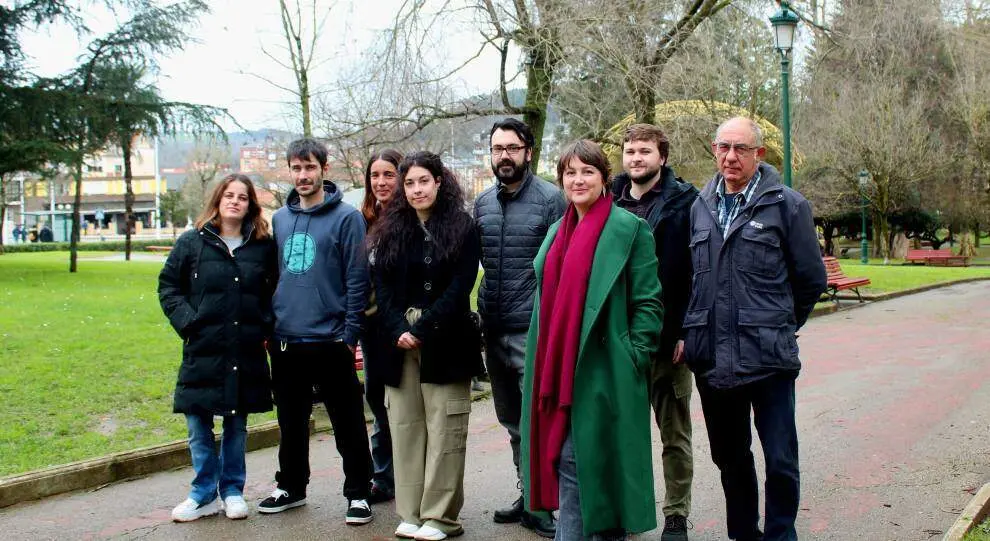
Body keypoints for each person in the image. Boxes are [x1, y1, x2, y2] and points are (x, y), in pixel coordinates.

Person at [683, 117, 827, 541]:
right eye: (724, 147)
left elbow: (811, 280)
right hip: (713, 359)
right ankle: (743, 533)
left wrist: (779, 323)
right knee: (730, 458)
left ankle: (781, 534)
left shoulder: (788, 205)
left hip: (768, 357)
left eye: (741, 149)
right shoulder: (700, 206)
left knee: (780, 458)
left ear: (758, 154)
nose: (731, 157)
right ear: (714, 149)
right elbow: (697, 277)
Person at [521, 140, 664, 540]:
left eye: (587, 171)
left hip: (606, 370)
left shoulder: (629, 228)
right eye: (570, 172)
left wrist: (633, 354)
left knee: (586, 466)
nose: (578, 179)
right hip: (557, 370)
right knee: (575, 466)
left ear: (604, 178)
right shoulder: (556, 232)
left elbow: (649, 302)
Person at [258, 138, 375, 526]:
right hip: (288, 340)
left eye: (310, 167)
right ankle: (291, 486)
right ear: (289, 171)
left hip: (332, 339)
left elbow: (356, 279)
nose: (303, 175)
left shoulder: (347, 218)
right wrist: (272, 330)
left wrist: (350, 334)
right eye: (296, 168)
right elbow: (276, 275)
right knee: (291, 422)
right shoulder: (280, 219)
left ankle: (359, 492)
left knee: (348, 424)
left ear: (324, 169)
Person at [370, 151, 483, 541]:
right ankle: (412, 513)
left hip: (447, 341)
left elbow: (461, 285)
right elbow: (380, 286)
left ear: (439, 181)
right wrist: (399, 327)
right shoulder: (390, 228)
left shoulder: (463, 227)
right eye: (410, 183)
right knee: (405, 429)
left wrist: (425, 327)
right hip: (398, 345)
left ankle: (441, 517)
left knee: (445, 430)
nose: (417, 189)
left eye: (424, 181)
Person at [158, 174, 277, 522]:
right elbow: (168, 286)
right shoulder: (192, 243)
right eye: (229, 195)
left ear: (250, 205)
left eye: (242, 197)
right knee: (198, 424)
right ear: (218, 199)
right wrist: (188, 322)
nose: (235, 201)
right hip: (204, 348)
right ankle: (203, 492)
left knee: (236, 425)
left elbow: (275, 290)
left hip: (244, 349)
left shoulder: (262, 248)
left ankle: (232, 490)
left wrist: (263, 323)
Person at [474, 118, 564, 538]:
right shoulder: (483, 203)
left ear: (528, 152)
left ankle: (544, 503)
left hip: (533, 331)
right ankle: (527, 493)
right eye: (497, 149)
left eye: (512, 148)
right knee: (511, 420)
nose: (504, 156)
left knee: (539, 421)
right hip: (493, 329)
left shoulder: (552, 200)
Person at [612, 123, 698, 541]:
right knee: (622, 431)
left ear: (662, 156)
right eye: (629, 151)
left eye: (645, 151)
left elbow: (699, 272)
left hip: (669, 340)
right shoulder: (608, 201)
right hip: (617, 340)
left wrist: (687, 330)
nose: (636, 158)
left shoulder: (687, 202)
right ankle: (625, 509)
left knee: (674, 434)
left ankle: (676, 514)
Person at [359, 148, 404, 505]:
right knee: (378, 399)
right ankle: (383, 476)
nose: (381, 182)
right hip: (373, 327)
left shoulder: (412, 218)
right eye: (375, 175)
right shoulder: (363, 220)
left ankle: (409, 474)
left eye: (388, 174)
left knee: (407, 402)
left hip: (406, 326)